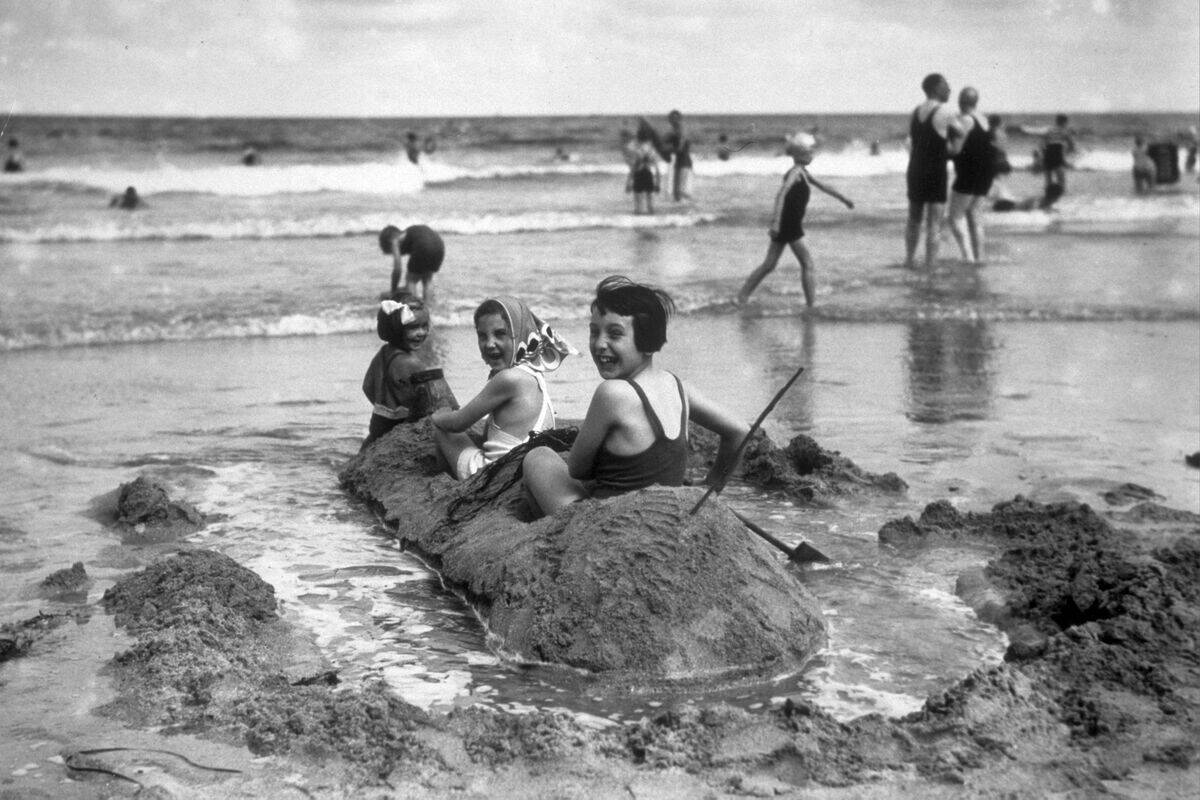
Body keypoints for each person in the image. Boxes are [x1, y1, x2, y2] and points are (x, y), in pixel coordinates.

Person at [522, 276, 750, 517]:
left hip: (608, 521)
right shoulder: (680, 387)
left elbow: (578, 469)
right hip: (662, 515)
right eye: (594, 332)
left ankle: (547, 528)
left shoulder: (612, 393)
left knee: (538, 457)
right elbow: (739, 431)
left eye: (615, 334)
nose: (600, 344)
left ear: (648, 344)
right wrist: (711, 486)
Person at [431, 297, 576, 480]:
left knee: (442, 431)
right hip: (520, 468)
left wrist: (436, 416)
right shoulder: (534, 374)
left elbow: (458, 423)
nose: (490, 344)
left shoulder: (509, 378)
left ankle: (446, 477)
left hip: (491, 475)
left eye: (500, 334)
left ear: (520, 333)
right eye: (483, 336)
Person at [734, 132, 854, 306]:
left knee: (769, 264)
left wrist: (843, 199)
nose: (812, 155)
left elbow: (824, 186)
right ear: (799, 154)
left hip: (788, 223)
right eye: (809, 152)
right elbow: (781, 194)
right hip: (787, 224)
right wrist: (775, 222)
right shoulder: (795, 173)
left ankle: (742, 296)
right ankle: (811, 304)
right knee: (807, 263)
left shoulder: (803, 173)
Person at [361, 294, 443, 448]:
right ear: (397, 328)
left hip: (379, 423)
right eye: (413, 327)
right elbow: (435, 404)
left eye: (425, 326)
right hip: (398, 427)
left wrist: (385, 405)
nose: (421, 332)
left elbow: (367, 386)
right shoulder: (412, 363)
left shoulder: (383, 353)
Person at [904, 73, 956, 270]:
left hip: (915, 169)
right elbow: (958, 142)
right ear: (936, 88)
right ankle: (930, 264)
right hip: (935, 171)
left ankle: (909, 259)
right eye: (946, 85)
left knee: (914, 218)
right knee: (934, 222)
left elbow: (915, 141)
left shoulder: (915, 111)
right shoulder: (946, 112)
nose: (949, 89)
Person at [946, 87, 992, 263]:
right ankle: (980, 257)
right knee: (975, 216)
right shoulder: (983, 119)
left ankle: (968, 257)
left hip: (969, 172)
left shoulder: (965, 119)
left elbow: (955, 149)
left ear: (960, 101)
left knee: (955, 216)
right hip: (985, 173)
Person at [379, 224, 445, 301]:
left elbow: (397, 268)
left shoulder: (394, 240)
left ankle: (413, 307)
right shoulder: (411, 232)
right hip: (439, 246)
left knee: (411, 280)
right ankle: (429, 305)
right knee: (427, 279)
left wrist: (393, 290)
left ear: (388, 241)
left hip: (422, 246)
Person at [1040, 114, 1076, 204]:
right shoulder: (1065, 131)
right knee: (1061, 178)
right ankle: (1061, 196)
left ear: (1056, 121)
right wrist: (1067, 153)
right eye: (1066, 122)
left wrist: (1043, 154)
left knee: (1048, 177)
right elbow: (1072, 145)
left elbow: (1041, 144)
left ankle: (1047, 196)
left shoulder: (1049, 130)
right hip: (1057, 152)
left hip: (1048, 152)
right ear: (1064, 122)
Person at [628, 121, 661, 215]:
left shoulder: (635, 149)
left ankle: (638, 225)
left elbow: (633, 168)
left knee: (638, 205)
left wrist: (629, 182)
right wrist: (658, 183)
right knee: (650, 204)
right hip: (648, 175)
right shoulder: (652, 149)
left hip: (638, 175)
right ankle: (652, 224)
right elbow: (657, 169)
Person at [660, 109, 693, 201]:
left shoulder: (682, 132)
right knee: (676, 193)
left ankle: (686, 213)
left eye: (674, 119)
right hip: (678, 163)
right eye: (670, 119)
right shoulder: (673, 132)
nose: (672, 121)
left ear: (679, 119)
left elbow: (680, 149)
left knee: (681, 192)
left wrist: (667, 149)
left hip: (685, 163)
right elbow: (663, 140)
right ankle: (678, 213)